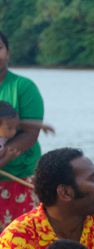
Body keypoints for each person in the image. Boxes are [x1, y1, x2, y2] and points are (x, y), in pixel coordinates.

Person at [0, 32, 45, 229]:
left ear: (8, 52)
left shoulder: (23, 87)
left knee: (21, 244)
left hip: (19, 178)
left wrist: (3, 158)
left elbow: (30, 134)